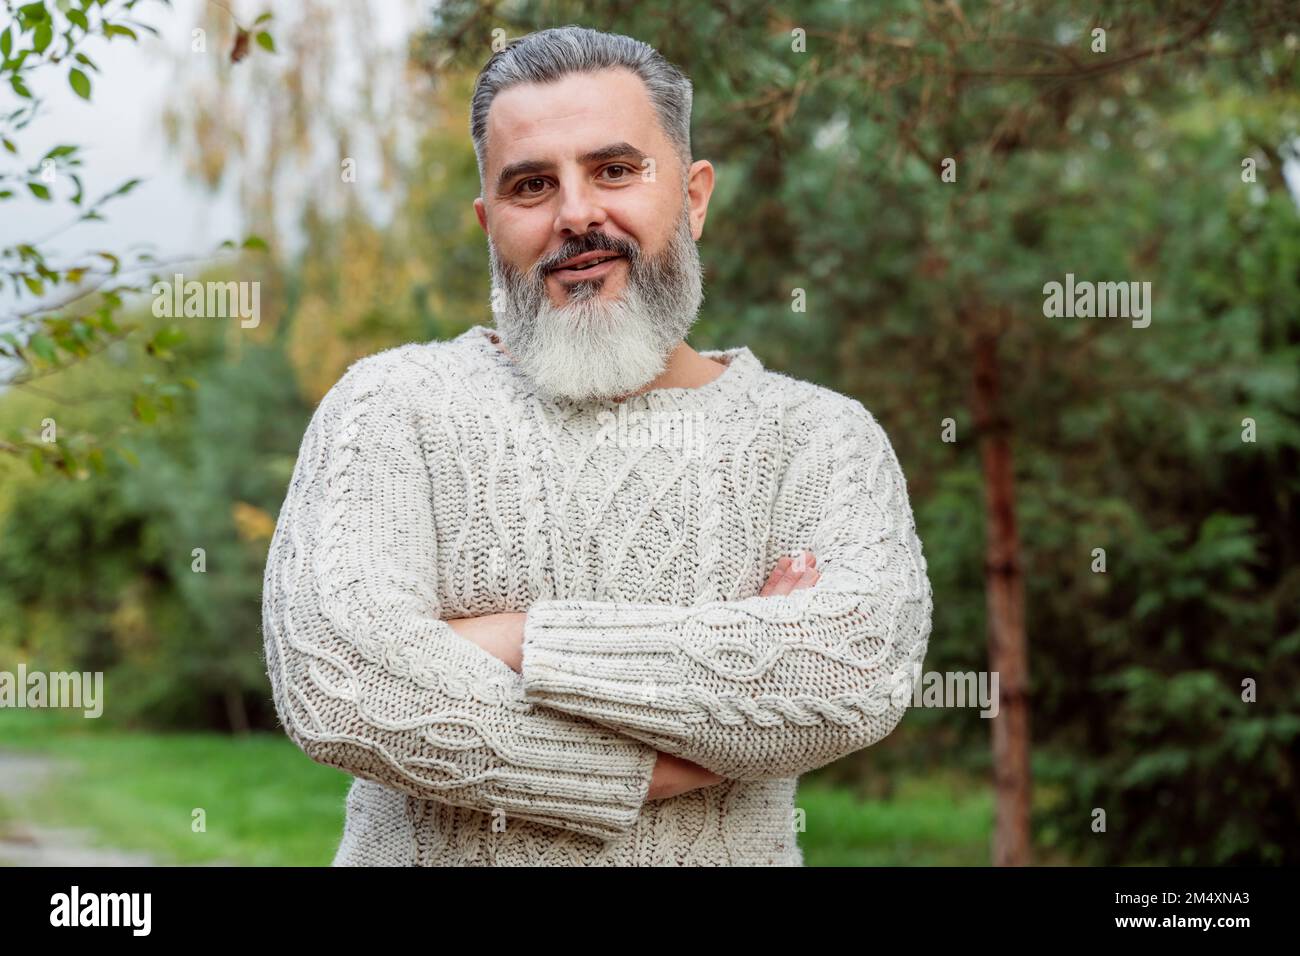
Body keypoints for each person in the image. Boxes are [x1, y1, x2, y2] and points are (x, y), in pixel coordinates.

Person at [261, 24, 932, 867]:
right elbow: (341, 686)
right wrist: (673, 743)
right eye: (532, 184)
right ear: (487, 220)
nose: (577, 214)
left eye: (615, 170)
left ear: (693, 196)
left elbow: (849, 675)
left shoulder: (819, 438)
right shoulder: (390, 405)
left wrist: (504, 640)